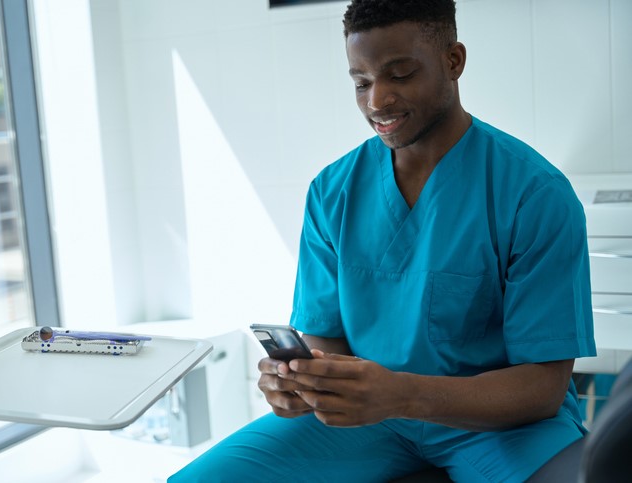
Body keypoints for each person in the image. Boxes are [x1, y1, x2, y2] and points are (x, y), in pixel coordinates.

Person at [169, 0, 596, 481]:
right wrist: (306, 383)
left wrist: (402, 393)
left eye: (401, 73)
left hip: (500, 426)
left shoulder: (533, 193)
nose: (377, 101)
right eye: (362, 82)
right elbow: (325, 337)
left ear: (453, 61)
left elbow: (541, 387)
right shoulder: (333, 192)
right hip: (367, 419)